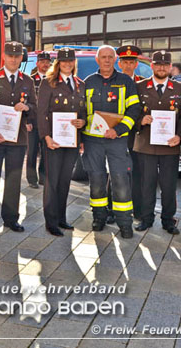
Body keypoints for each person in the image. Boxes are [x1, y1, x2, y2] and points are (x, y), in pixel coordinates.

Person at [82, 45, 142, 238]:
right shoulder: (88, 82)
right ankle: (99, 217)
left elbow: (134, 110)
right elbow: (82, 111)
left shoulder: (125, 81)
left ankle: (125, 223)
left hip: (117, 140)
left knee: (120, 180)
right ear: (97, 60)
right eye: (103, 57)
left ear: (115, 60)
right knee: (97, 180)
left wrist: (118, 130)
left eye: (110, 57)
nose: (107, 60)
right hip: (92, 141)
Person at [0, 42, 36, 233]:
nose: (13, 59)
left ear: (21, 58)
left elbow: (35, 109)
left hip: (17, 140)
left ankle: (11, 219)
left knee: (13, 181)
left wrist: (27, 108)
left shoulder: (27, 81)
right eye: (10, 55)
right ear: (4, 56)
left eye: (17, 56)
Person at [133, 51, 181, 235]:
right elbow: (131, 111)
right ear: (152, 66)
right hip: (145, 145)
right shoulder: (140, 86)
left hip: (169, 146)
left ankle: (168, 220)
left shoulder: (179, 88)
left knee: (168, 186)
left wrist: (180, 137)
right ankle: (146, 218)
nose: (161, 68)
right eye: (158, 64)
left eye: (165, 65)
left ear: (170, 67)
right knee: (146, 184)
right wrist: (140, 120)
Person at [38, 47, 86, 236]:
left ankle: (61, 217)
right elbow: (41, 113)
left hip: (72, 141)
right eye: (64, 61)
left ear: (74, 63)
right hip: (54, 141)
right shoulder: (48, 83)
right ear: (58, 63)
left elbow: (82, 113)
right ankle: (51, 222)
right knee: (52, 181)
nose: (67, 64)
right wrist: (46, 137)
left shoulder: (80, 84)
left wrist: (83, 123)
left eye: (70, 61)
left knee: (65, 180)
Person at [116, 45, 144, 220]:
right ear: (119, 63)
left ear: (136, 64)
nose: (128, 65)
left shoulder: (142, 83)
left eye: (132, 62)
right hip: (116, 134)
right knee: (115, 172)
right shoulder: (113, 80)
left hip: (137, 135)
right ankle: (113, 209)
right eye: (125, 62)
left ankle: (138, 209)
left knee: (137, 172)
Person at [26, 51, 51, 189]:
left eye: (47, 62)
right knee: (32, 151)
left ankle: (43, 177)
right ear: (37, 63)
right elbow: (27, 101)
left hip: (48, 123)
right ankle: (31, 179)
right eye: (42, 62)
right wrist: (27, 121)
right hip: (34, 122)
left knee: (46, 151)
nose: (45, 64)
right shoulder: (31, 80)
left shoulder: (53, 80)